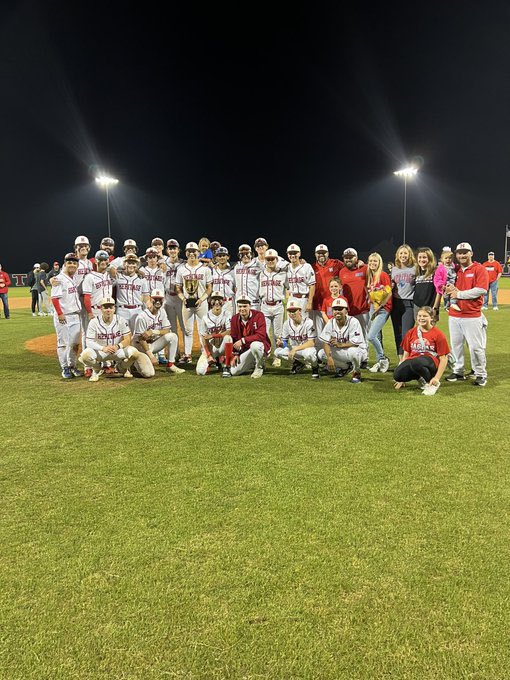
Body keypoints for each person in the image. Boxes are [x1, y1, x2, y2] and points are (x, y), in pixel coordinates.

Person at [445, 242, 489, 386]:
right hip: (454, 315)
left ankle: (480, 373)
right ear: (456, 255)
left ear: (471, 253)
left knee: (475, 347)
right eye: (460, 253)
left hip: (472, 315)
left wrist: (459, 294)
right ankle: (458, 371)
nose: (462, 255)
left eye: (465, 252)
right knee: (456, 345)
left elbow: (481, 289)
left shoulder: (479, 268)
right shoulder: (455, 270)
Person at [79, 297, 141, 382]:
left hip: (117, 350)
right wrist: (103, 348)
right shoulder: (94, 322)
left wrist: (118, 346)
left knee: (135, 353)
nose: (108, 310)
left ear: (114, 308)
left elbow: (127, 339)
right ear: (101, 308)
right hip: (101, 352)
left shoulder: (121, 320)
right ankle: (96, 369)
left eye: (110, 307)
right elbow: (89, 342)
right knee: (84, 356)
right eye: (105, 307)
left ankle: (122, 368)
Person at [393, 306, 450, 396]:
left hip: (431, 364)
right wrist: (401, 379)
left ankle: (432, 384)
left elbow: (444, 359)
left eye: (425, 316)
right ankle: (420, 377)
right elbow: (406, 355)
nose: (421, 318)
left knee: (417, 362)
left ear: (431, 318)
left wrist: (437, 378)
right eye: (419, 316)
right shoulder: (410, 333)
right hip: (415, 362)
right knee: (397, 375)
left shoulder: (438, 334)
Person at [132, 289, 184, 376]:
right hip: (140, 348)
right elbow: (141, 339)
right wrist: (151, 356)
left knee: (172, 336)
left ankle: (170, 365)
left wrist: (153, 332)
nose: (158, 301)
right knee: (149, 374)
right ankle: (132, 363)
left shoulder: (162, 312)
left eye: (160, 299)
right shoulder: (142, 317)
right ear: (150, 299)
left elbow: (167, 330)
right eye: (155, 299)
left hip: (152, 345)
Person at [175, 241, 213, 363]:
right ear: (186, 253)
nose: (192, 254)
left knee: (203, 329)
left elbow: (209, 288)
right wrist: (183, 298)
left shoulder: (205, 269)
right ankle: (187, 354)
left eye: (194, 251)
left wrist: (202, 299)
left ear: (198, 253)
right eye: (189, 251)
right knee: (187, 330)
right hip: (187, 303)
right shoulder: (181, 269)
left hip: (201, 302)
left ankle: (204, 353)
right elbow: (178, 288)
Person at [318, 297, 368, 383]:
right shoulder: (331, 322)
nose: (337, 311)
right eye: (335, 309)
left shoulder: (353, 322)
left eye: (340, 309)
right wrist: (329, 358)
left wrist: (340, 345)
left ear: (346, 311)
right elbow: (325, 342)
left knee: (353, 352)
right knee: (321, 353)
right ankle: (345, 367)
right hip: (342, 351)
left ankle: (357, 372)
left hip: (359, 351)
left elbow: (355, 344)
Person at [51, 253, 83, 379]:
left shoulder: (74, 278)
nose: (72, 265)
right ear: (65, 264)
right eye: (70, 262)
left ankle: (73, 366)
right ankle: (65, 368)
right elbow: (54, 299)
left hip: (75, 315)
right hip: (63, 316)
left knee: (75, 344)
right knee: (63, 344)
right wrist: (59, 313)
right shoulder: (59, 279)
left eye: (74, 263)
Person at [274, 298, 319, 378]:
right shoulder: (286, 324)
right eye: (290, 311)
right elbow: (285, 342)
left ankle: (315, 367)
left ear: (299, 311)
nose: (292, 313)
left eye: (294, 311)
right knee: (277, 352)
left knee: (309, 354)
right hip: (295, 350)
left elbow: (312, 342)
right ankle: (298, 363)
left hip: (307, 349)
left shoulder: (309, 323)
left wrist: (295, 349)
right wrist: (281, 344)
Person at [229, 297, 271, 378]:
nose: (242, 309)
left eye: (245, 306)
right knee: (234, 372)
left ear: (250, 306)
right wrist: (236, 354)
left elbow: (261, 336)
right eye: (240, 306)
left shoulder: (259, 315)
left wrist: (243, 340)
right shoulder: (234, 318)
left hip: (261, 346)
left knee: (255, 345)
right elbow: (233, 336)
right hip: (246, 349)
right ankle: (253, 362)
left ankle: (259, 367)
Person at [259, 248, 288, 366]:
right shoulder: (260, 274)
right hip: (264, 306)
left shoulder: (283, 274)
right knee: (264, 332)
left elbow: (289, 287)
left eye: (272, 259)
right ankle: (265, 355)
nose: (270, 261)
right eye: (268, 259)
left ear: (277, 259)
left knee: (278, 334)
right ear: (265, 260)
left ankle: (277, 356)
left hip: (278, 306)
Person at [196, 291, 234, 376]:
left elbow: (229, 331)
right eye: (214, 299)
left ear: (223, 301)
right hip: (212, 348)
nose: (217, 302)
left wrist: (213, 335)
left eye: (219, 299)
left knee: (228, 338)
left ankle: (227, 365)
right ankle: (214, 360)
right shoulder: (205, 317)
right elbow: (203, 337)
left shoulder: (227, 314)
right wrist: (208, 355)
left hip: (223, 347)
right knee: (200, 372)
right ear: (210, 301)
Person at [366, 252, 392, 373]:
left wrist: (380, 305)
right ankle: (379, 362)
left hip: (383, 309)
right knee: (377, 336)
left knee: (370, 336)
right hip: (373, 307)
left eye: (375, 261)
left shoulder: (383, 275)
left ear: (379, 262)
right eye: (370, 261)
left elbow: (389, 292)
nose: (372, 263)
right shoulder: (370, 276)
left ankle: (383, 359)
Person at [112, 254, 150, 333]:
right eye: (128, 263)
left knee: (137, 337)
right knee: (121, 336)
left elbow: (146, 297)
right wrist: (111, 269)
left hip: (137, 310)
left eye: (133, 263)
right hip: (122, 310)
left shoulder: (142, 279)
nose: (131, 265)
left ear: (137, 265)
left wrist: (147, 311)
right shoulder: (118, 277)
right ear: (124, 264)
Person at [390, 244, 416, 358]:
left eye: (405, 253)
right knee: (398, 333)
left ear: (410, 254)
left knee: (407, 334)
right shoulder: (394, 269)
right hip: (396, 303)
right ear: (397, 255)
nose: (403, 255)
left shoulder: (415, 268)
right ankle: (401, 359)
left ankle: (407, 358)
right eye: (401, 253)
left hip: (409, 304)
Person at [338, 247, 370, 340]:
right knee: (349, 337)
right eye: (346, 257)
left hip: (362, 310)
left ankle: (365, 355)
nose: (348, 259)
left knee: (364, 337)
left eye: (351, 257)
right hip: (347, 311)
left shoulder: (364, 268)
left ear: (356, 258)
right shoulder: (341, 272)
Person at [286, 243, 316, 319]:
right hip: (292, 298)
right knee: (291, 323)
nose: (292, 255)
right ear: (287, 255)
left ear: (299, 253)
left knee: (304, 324)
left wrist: (309, 302)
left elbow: (312, 286)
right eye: (290, 253)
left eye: (295, 253)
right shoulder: (286, 267)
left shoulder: (307, 266)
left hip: (303, 299)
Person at [413, 247, 441, 319]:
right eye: (420, 257)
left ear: (430, 258)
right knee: (418, 330)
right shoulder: (416, 272)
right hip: (417, 307)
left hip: (430, 307)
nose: (421, 260)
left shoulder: (435, 271)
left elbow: (439, 291)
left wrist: (435, 308)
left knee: (429, 330)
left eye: (424, 257)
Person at [233, 244, 262, 309]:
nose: (245, 256)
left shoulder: (258, 266)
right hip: (240, 303)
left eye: (247, 253)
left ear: (251, 254)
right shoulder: (236, 267)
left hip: (254, 302)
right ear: (239, 255)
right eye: (242, 254)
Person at [433, 247, 460, 312]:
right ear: (442, 259)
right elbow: (437, 278)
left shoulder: (453, 266)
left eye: (450, 258)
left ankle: (452, 304)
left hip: (453, 284)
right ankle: (447, 306)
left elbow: (460, 268)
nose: (448, 260)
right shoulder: (440, 268)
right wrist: (442, 286)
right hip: (445, 286)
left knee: (453, 294)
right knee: (446, 297)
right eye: (446, 258)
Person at [211, 246, 235, 315]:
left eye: (224, 255)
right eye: (219, 256)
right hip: (215, 303)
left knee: (229, 325)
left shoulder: (233, 271)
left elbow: (236, 288)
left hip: (229, 303)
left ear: (228, 257)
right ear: (216, 258)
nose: (222, 257)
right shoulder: (212, 270)